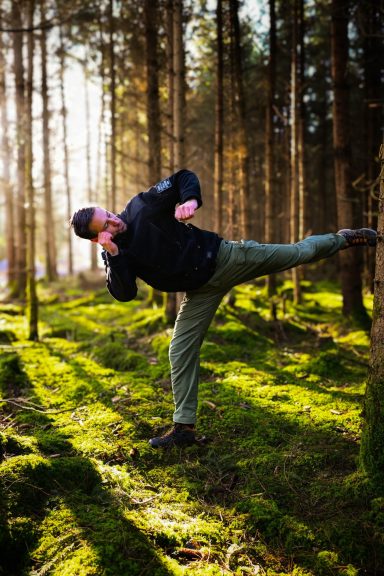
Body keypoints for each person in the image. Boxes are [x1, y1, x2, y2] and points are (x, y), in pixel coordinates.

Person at [70, 169, 377, 448]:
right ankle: (184, 429)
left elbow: (181, 178)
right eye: (106, 224)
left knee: (296, 253)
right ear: (98, 237)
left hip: (227, 259)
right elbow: (124, 293)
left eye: (109, 213)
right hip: (200, 292)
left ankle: (342, 239)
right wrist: (113, 254)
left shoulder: (141, 207)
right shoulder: (116, 254)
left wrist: (189, 200)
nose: (114, 220)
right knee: (179, 350)